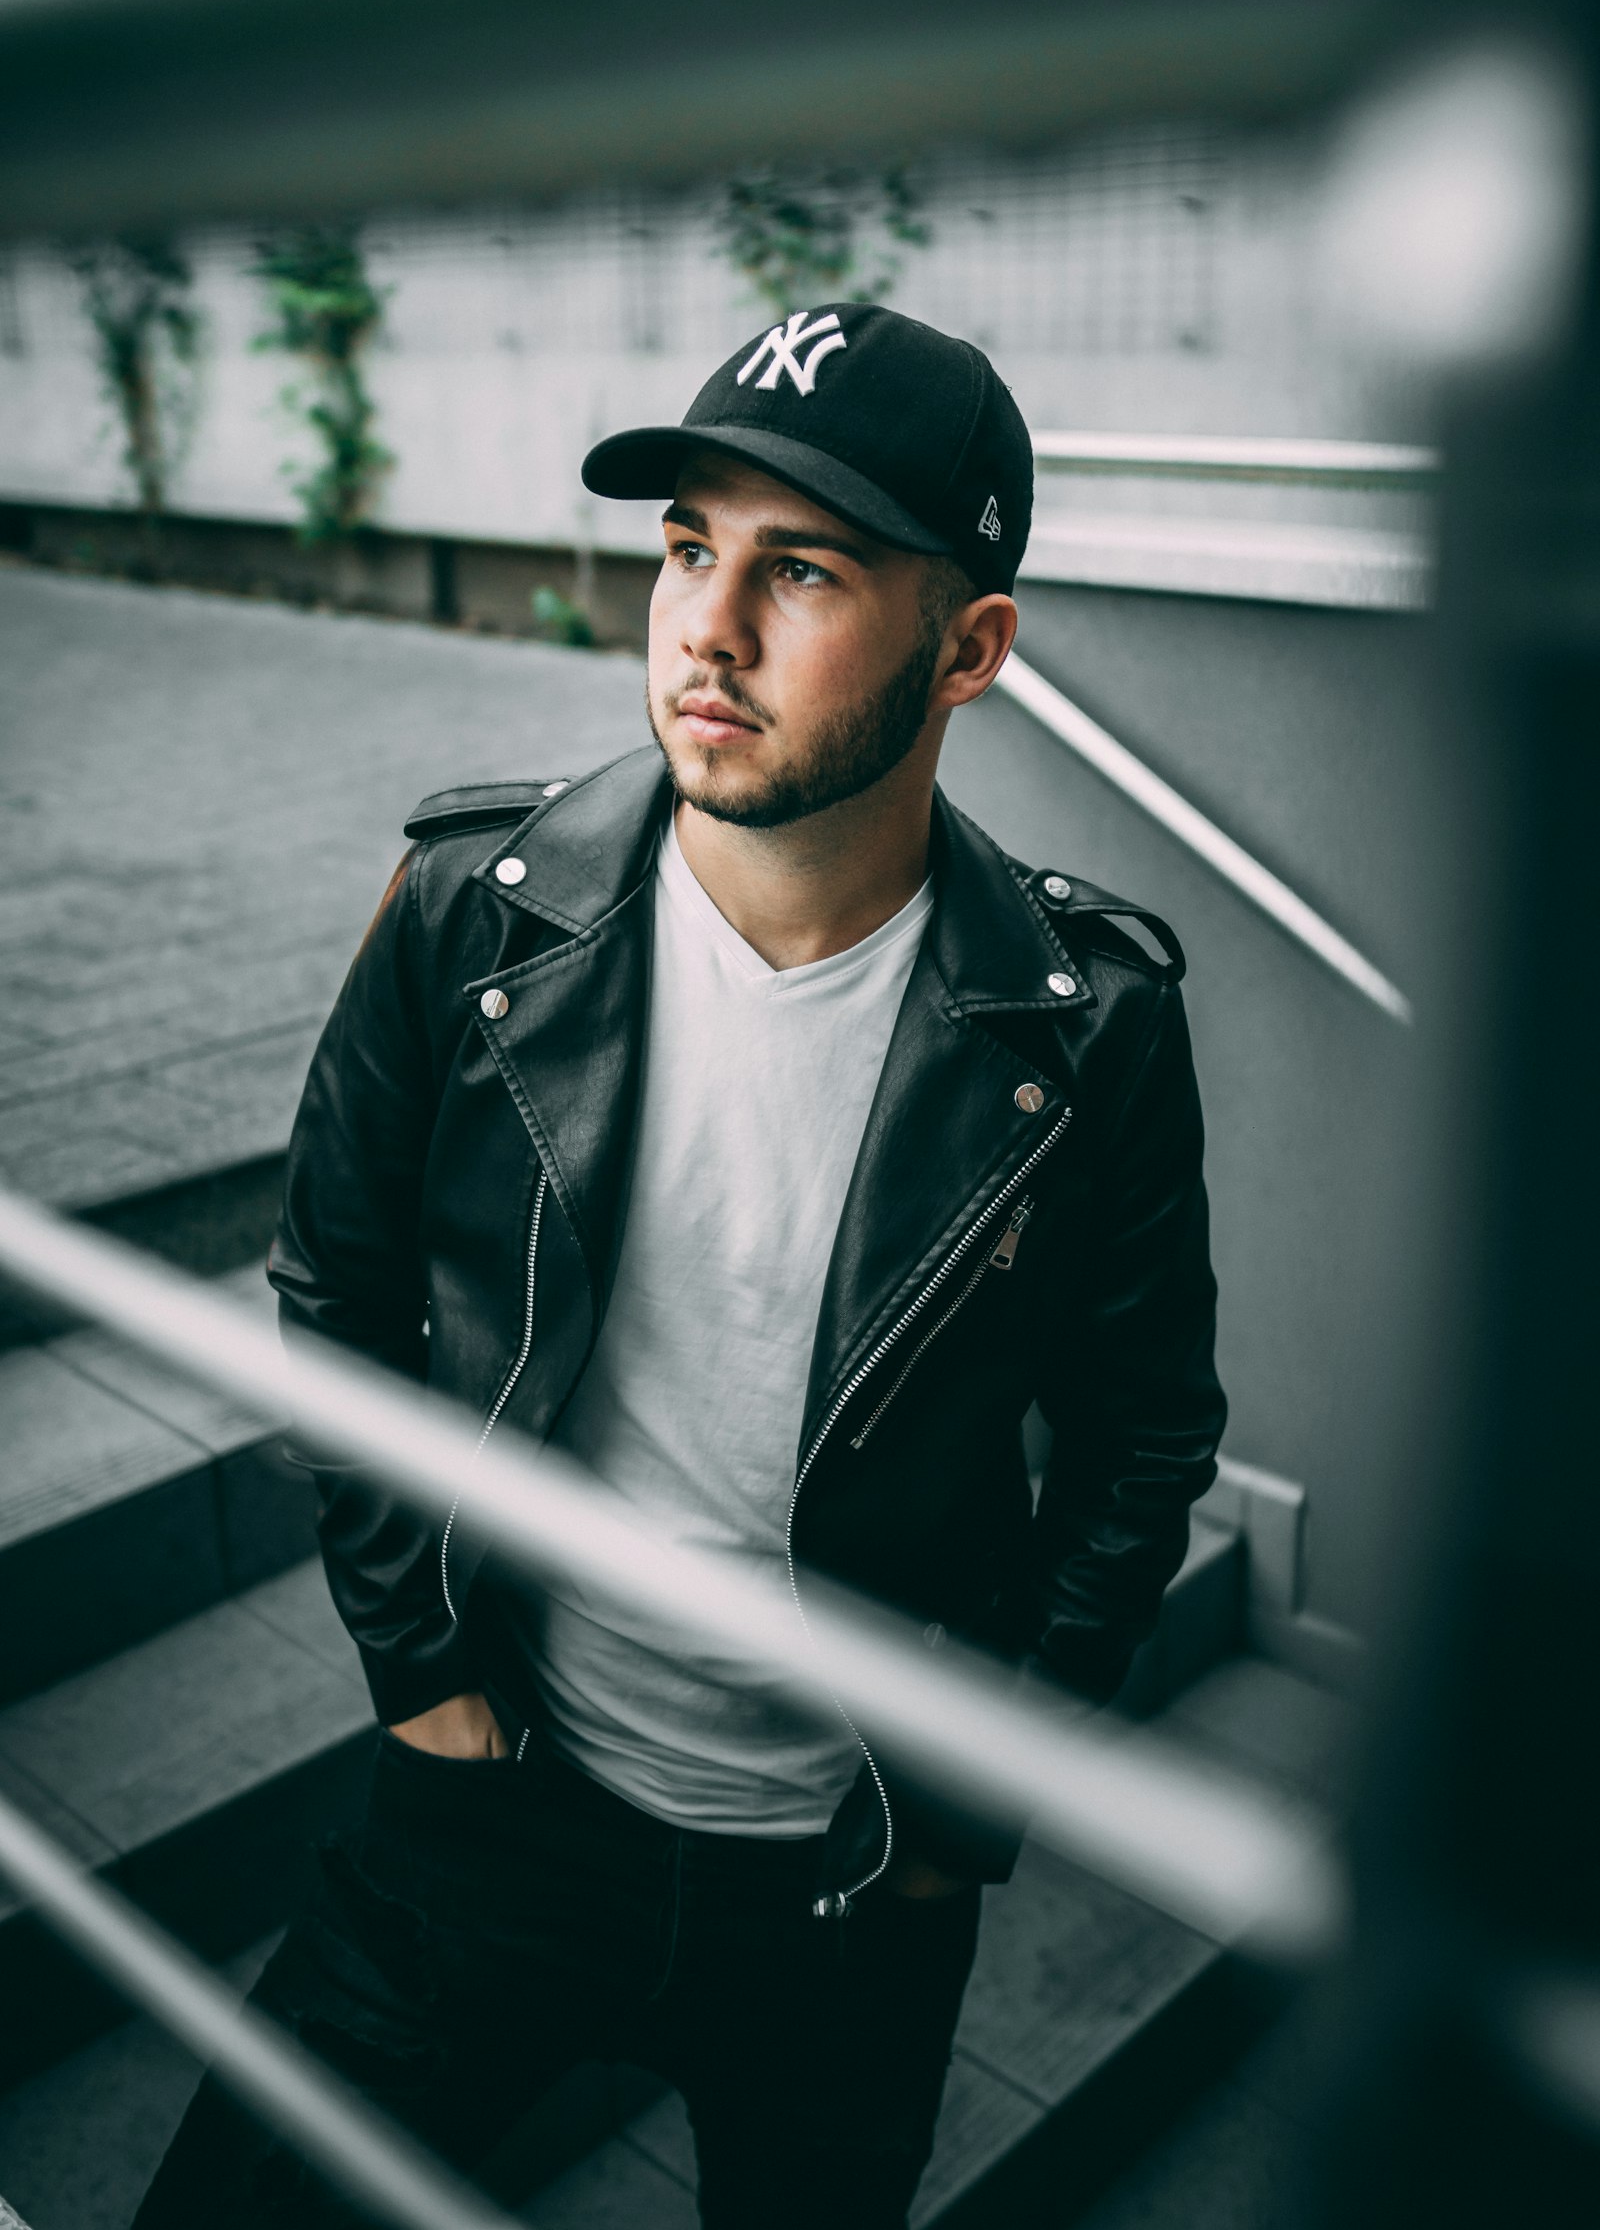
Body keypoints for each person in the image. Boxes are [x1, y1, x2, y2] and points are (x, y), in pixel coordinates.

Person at [133, 303, 1226, 2229]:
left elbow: (1142, 1437)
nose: (704, 629)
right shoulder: (480, 916)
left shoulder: (1085, 1030)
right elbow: (334, 1287)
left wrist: (963, 1809)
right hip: (492, 1804)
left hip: (843, 1877)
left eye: (800, 570)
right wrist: (421, 1673)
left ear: (968, 649)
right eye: (686, 547)